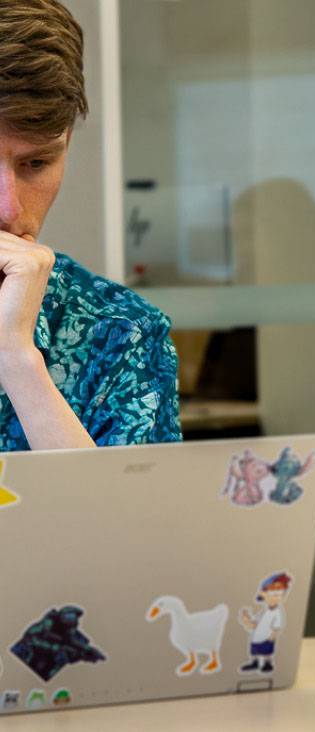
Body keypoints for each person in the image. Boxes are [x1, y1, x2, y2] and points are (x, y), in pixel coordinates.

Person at [0, 0, 180, 449]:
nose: (10, 208)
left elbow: (127, 520)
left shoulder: (119, 334)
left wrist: (18, 360)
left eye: (37, 162)